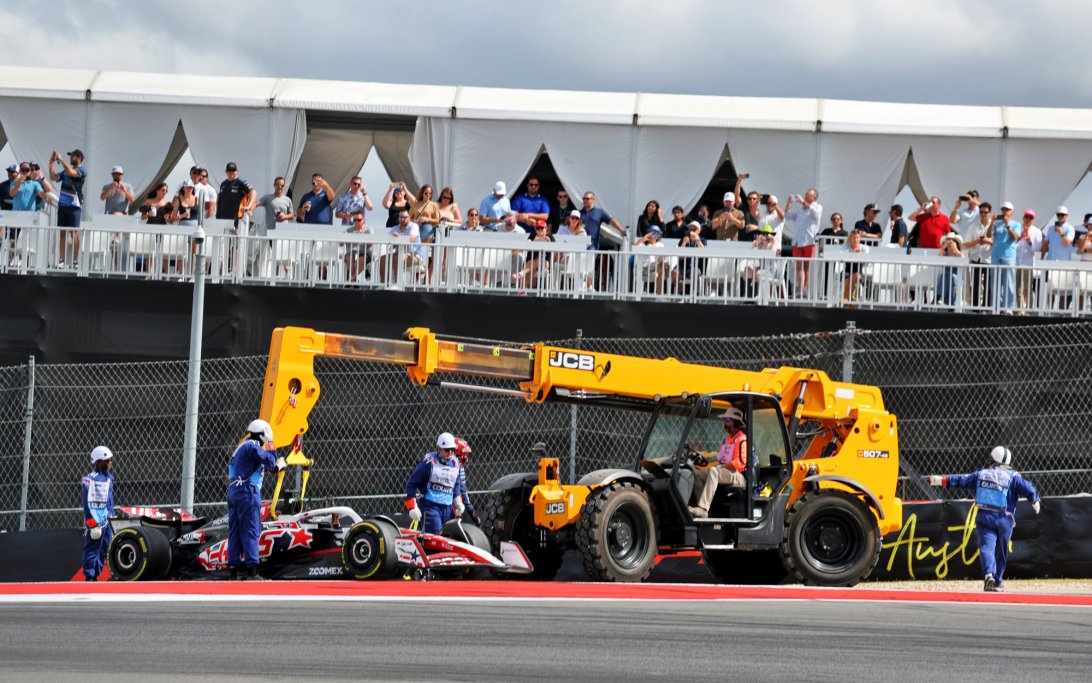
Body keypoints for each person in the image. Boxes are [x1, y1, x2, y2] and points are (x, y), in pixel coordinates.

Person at [928, 446, 1040, 592]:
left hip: (984, 516)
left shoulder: (981, 474)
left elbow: (961, 481)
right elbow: (1028, 488)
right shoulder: (1013, 476)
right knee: (1002, 550)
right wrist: (1034, 501)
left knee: (987, 547)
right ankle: (998, 580)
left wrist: (940, 480)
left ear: (992, 459)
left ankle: (988, 576)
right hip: (1005, 519)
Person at [227, 418, 283, 580]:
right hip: (247, 492)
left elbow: (263, 466)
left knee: (235, 532)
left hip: (234, 491)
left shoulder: (241, 448)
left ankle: (233, 572)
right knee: (251, 530)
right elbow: (270, 462)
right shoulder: (253, 446)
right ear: (262, 434)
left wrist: (276, 466)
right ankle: (252, 572)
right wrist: (271, 444)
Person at [689, 407, 748, 518]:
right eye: (724, 420)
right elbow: (720, 458)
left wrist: (720, 466)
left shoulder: (741, 439)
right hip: (725, 472)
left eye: (727, 420)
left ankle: (703, 509)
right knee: (698, 475)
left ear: (734, 422)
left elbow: (738, 465)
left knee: (714, 472)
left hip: (738, 475)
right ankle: (707, 511)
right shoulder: (726, 439)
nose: (724, 423)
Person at [405, 432, 466, 534]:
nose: (450, 453)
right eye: (447, 450)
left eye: (453, 450)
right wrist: (412, 507)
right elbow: (411, 483)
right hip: (430, 506)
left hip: (448, 509)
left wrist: (458, 501)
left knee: (449, 537)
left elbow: (456, 485)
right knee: (435, 536)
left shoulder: (456, 464)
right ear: (439, 448)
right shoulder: (429, 462)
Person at [81, 446, 116, 582]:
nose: (110, 462)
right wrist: (92, 523)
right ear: (99, 461)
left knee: (103, 549)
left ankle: (96, 574)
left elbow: (109, 500)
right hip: (96, 520)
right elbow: (87, 503)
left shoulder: (109, 479)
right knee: (92, 548)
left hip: (107, 519)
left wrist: (111, 515)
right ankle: (90, 576)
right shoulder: (90, 479)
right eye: (107, 460)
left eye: (110, 460)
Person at [49, 149, 87, 268]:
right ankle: (61, 260)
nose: (71, 158)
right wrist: (51, 163)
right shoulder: (65, 171)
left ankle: (75, 261)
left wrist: (60, 159)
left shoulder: (82, 170)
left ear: (80, 158)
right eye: (70, 156)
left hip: (74, 206)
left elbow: (71, 172)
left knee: (74, 233)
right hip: (63, 205)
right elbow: (53, 177)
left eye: (73, 156)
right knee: (62, 233)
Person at [786, 189, 823, 295]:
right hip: (798, 241)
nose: (806, 196)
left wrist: (803, 202)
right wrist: (789, 202)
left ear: (814, 198)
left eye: (808, 195)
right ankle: (800, 288)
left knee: (806, 266)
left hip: (809, 241)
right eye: (805, 194)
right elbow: (787, 216)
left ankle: (804, 288)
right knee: (798, 266)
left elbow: (815, 214)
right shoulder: (801, 209)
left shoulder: (818, 207)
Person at [989, 201, 1020, 310]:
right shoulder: (996, 224)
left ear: (1012, 212)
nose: (1005, 211)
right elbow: (989, 235)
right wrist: (992, 221)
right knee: (995, 282)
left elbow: (1015, 237)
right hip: (995, 255)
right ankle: (997, 306)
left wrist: (1007, 225)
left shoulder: (1016, 224)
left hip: (1009, 256)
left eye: (1007, 209)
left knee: (1009, 282)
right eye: (1003, 209)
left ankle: (1009, 307)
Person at [1015, 209, 1042, 312]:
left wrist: (1030, 242)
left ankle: (1029, 309)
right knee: (1018, 288)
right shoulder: (1017, 228)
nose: (1028, 219)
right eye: (1027, 217)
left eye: (1031, 218)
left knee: (1028, 288)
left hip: (1028, 263)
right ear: (1023, 218)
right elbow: (1012, 243)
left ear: (1033, 220)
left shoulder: (1037, 231)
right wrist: (1020, 237)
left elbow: (1038, 247)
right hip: (1017, 262)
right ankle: (1020, 310)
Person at [216, 162, 257, 228]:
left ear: (237, 171)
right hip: (222, 218)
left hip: (236, 218)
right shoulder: (223, 183)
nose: (231, 172)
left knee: (234, 237)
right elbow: (219, 199)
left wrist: (249, 206)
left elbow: (253, 192)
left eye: (233, 170)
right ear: (226, 171)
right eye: (229, 170)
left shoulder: (241, 182)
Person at [936, 231, 964, 307]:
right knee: (947, 275)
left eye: (952, 241)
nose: (950, 242)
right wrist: (943, 248)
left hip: (957, 277)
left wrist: (955, 250)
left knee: (952, 277)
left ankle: (938, 297)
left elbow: (963, 259)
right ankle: (951, 303)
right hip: (945, 278)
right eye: (948, 240)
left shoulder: (959, 253)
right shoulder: (944, 253)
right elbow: (938, 260)